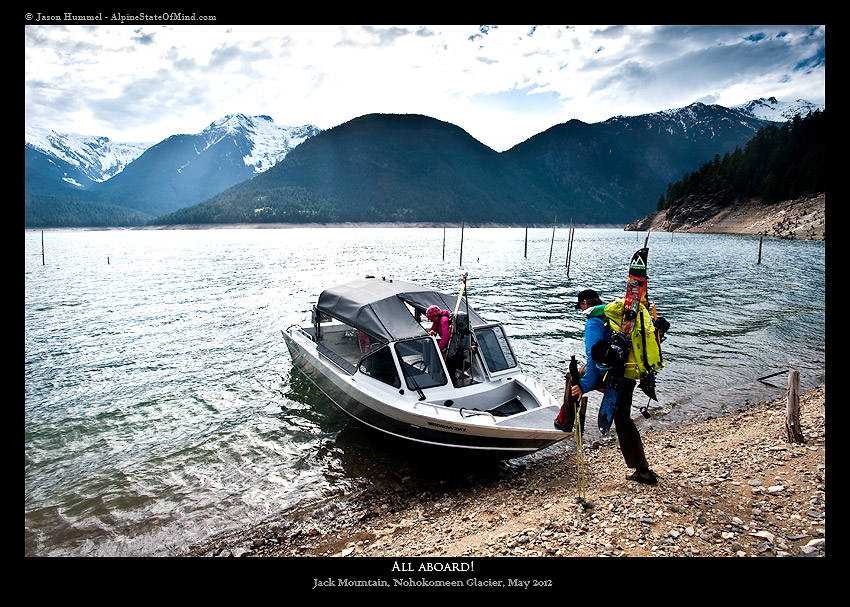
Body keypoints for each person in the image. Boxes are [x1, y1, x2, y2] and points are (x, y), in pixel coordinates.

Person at [570, 288, 658, 485]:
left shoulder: (593, 322)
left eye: (580, 306)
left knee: (572, 378)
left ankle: (565, 423)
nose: (580, 310)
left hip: (611, 375)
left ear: (585, 304)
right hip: (629, 372)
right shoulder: (615, 316)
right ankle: (642, 470)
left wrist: (583, 386)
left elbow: (593, 358)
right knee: (623, 419)